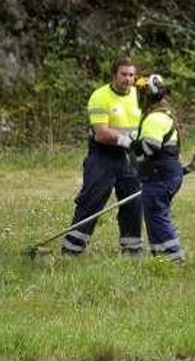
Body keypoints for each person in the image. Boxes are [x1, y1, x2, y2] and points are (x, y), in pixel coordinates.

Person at [61, 56, 144, 256]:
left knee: (133, 201)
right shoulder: (100, 97)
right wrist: (128, 140)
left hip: (130, 158)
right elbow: (101, 133)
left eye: (131, 75)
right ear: (114, 74)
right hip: (103, 156)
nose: (128, 79)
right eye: (124, 74)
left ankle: (132, 249)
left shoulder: (138, 95)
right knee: (92, 201)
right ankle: (72, 249)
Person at [130, 74, 185, 263]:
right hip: (163, 174)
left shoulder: (154, 118)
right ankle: (161, 260)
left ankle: (174, 259)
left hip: (159, 175)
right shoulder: (164, 114)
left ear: (147, 96)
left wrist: (131, 144)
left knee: (157, 216)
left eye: (140, 94)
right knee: (155, 216)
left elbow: (149, 148)